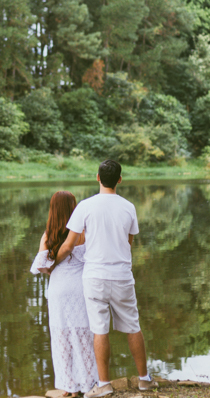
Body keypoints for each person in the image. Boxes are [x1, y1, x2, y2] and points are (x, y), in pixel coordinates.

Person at [52, 160, 157, 397]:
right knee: (133, 326)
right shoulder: (129, 207)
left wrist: (51, 264)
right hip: (121, 276)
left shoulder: (85, 207)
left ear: (97, 177)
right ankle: (144, 380)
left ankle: (104, 385)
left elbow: (68, 246)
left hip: (94, 277)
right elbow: (128, 243)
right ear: (120, 179)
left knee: (100, 330)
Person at [31, 190, 99, 396]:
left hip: (59, 290)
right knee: (84, 334)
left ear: (53, 209)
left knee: (61, 336)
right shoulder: (82, 232)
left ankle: (68, 386)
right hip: (80, 288)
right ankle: (88, 384)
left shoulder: (48, 234)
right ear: (73, 208)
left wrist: (53, 262)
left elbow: (43, 267)